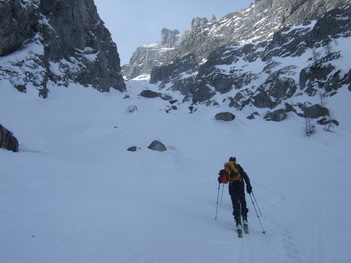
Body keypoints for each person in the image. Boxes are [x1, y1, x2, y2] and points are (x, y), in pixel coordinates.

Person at [224, 157, 252, 228]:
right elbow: (245, 176)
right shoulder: (238, 167)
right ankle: (244, 217)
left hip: (232, 186)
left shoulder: (227, 167)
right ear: (235, 161)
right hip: (240, 185)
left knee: (235, 202)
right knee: (242, 200)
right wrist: (248, 185)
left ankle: (237, 220)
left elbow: (223, 179)